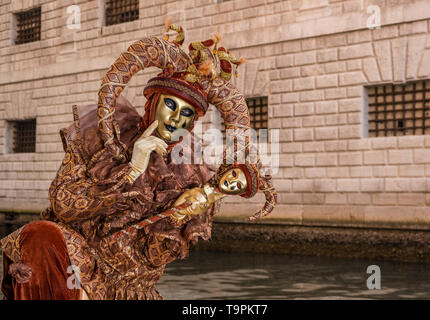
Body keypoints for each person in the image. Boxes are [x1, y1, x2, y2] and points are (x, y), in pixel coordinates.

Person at [1, 22, 276, 300]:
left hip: (130, 289)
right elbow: (64, 203)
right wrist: (132, 168)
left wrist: (180, 215)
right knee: (40, 235)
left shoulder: (191, 173)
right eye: (170, 105)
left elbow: (155, 257)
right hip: (77, 265)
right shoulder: (99, 138)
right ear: (152, 102)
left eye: (187, 114)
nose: (176, 119)